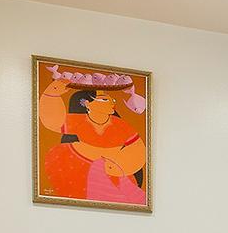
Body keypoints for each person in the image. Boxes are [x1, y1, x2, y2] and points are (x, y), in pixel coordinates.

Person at [38, 72, 147, 205]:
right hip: (81, 163)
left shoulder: (120, 124)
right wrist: (52, 93)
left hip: (113, 167)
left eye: (113, 100)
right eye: (105, 99)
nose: (112, 103)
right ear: (87, 104)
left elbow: (137, 147)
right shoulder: (80, 121)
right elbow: (53, 121)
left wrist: (120, 165)